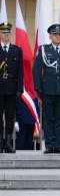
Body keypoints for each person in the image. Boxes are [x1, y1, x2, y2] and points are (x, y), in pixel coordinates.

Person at [33, 24, 60, 154]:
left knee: (59, 118)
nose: (58, 37)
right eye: (55, 35)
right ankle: (49, 145)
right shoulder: (43, 50)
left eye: (59, 34)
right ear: (50, 36)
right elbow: (36, 70)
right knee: (48, 118)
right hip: (47, 89)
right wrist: (38, 87)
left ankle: (57, 144)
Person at [0, 21, 23, 154]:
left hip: (11, 89)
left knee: (10, 117)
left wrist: (19, 89)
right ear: (0, 34)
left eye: (8, 32)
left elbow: (20, 72)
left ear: (11, 34)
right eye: (3, 32)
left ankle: (8, 143)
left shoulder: (17, 50)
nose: (6, 34)